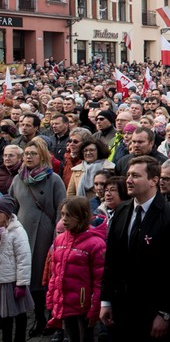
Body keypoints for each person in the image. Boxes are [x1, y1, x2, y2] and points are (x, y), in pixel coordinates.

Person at [99, 156, 170, 342]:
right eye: (128, 175)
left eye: (135, 176)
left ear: (153, 181)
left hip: (152, 311)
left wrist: (165, 313)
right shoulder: (122, 211)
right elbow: (112, 260)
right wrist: (106, 300)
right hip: (122, 308)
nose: (129, 180)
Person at [8, 138, 66, 336]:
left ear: (42, 156)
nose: (29, 157)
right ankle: (34, 316)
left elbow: (61, 208)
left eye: (33, 154)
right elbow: (11, 206)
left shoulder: (53, 179)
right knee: (24, 276)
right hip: (21, 233)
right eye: (26, 154)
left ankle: (46, 318)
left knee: (43, 278)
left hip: (44, 233)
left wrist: (57, 237)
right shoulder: (18, 179)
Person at [46, 197, 105, 342]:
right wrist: (51, 299)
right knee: (71, 336)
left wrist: (95, 307)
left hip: (83, 305)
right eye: (62, 214)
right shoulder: (59, 240)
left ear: (82, 216)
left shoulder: (95, 244)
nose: (64, 219)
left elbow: (99, 280)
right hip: (65, 301)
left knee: (86, 337)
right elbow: (55, 274)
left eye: (69, 215)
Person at [0, 197, 32, 342]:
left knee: (19, 313)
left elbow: (24, 258)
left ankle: (20, 338)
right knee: (4, 316)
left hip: (14, 281)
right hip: (1, 281)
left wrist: (22, 283)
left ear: (6, 214)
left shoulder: (17, 231)